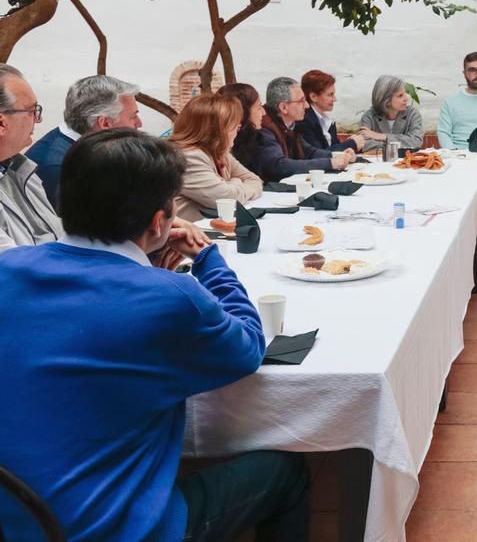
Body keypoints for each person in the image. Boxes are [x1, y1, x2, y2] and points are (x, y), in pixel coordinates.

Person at [0, 128, 309, 541]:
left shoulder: (9, 268)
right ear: (161, 221)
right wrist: (208, 258)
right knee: (285, 472)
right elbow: (248, 347)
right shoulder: (169, 297)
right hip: (109, 530)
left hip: (19, 517)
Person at [25, 74, 143, 209]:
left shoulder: (90, 146)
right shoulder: (60, 170)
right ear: (105, 123)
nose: (139, 123)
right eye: (133, 116)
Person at [169, 94, 264, 222]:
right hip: (191, 235)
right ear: (217, 130)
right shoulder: (188, 157)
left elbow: (255, 180)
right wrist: (235, 182)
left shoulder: (218, 152)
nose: (238, 131)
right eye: (236, 126)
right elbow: (230, 199)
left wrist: (231, 186)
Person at [0, 64, 63, 251]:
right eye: (32, 111)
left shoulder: (19, 167)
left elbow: (55, 232)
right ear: (2, 123)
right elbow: (11, 267)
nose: (38, 119)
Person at [256, 76, 354, 182]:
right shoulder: (264, 126)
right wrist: (330, 163)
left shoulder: (289, 123)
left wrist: (340, 155)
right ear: (283, 107)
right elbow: (279, 165)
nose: (307, 106)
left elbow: (309, 152)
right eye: (301, 101)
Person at [295, 69, 365, 152]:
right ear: (313, 97)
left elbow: (334, 148)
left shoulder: (325, 120)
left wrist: (353, 145)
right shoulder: (304, 120)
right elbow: (318, 154)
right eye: (330, 94)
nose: (335, 99)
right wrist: (351, 144)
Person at [359, 75, 425, 151]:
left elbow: (416, 142)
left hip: (404, 162)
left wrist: (383, 137)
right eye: (400, 95)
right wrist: (401, 143)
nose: (407, 98)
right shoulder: (369, 117)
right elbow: (363, 143)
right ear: (386, 101)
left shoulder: (412, 114)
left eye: (405, 93)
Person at [218, 82, 268, 177]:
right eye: (258, 107)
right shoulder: (225, 146)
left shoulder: (253, 138)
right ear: (244, 112)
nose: (264, 112)